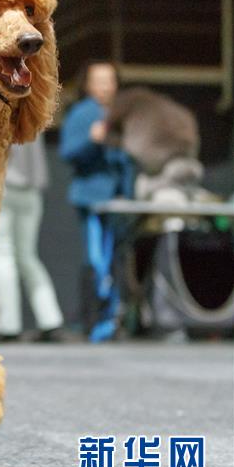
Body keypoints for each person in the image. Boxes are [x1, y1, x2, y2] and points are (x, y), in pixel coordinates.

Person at [59, 60, 135, 341]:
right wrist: (93, 140)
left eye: (109, 80)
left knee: (115, 260)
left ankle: (111, 321)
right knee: (97, 260)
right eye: (98, 80)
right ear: (88, 85)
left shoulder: (118, 114)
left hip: (117, 201)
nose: (104, 86)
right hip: (92, 199)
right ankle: (94, 323)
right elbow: (68, 152)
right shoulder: (82, 113)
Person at [0, 134, 66, 341]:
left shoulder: (0, 106)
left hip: (4, 185)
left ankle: (9, 325)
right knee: (27, 256)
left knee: (2, 255)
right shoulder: (32, 109)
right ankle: (51, 320)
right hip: (31, 190)